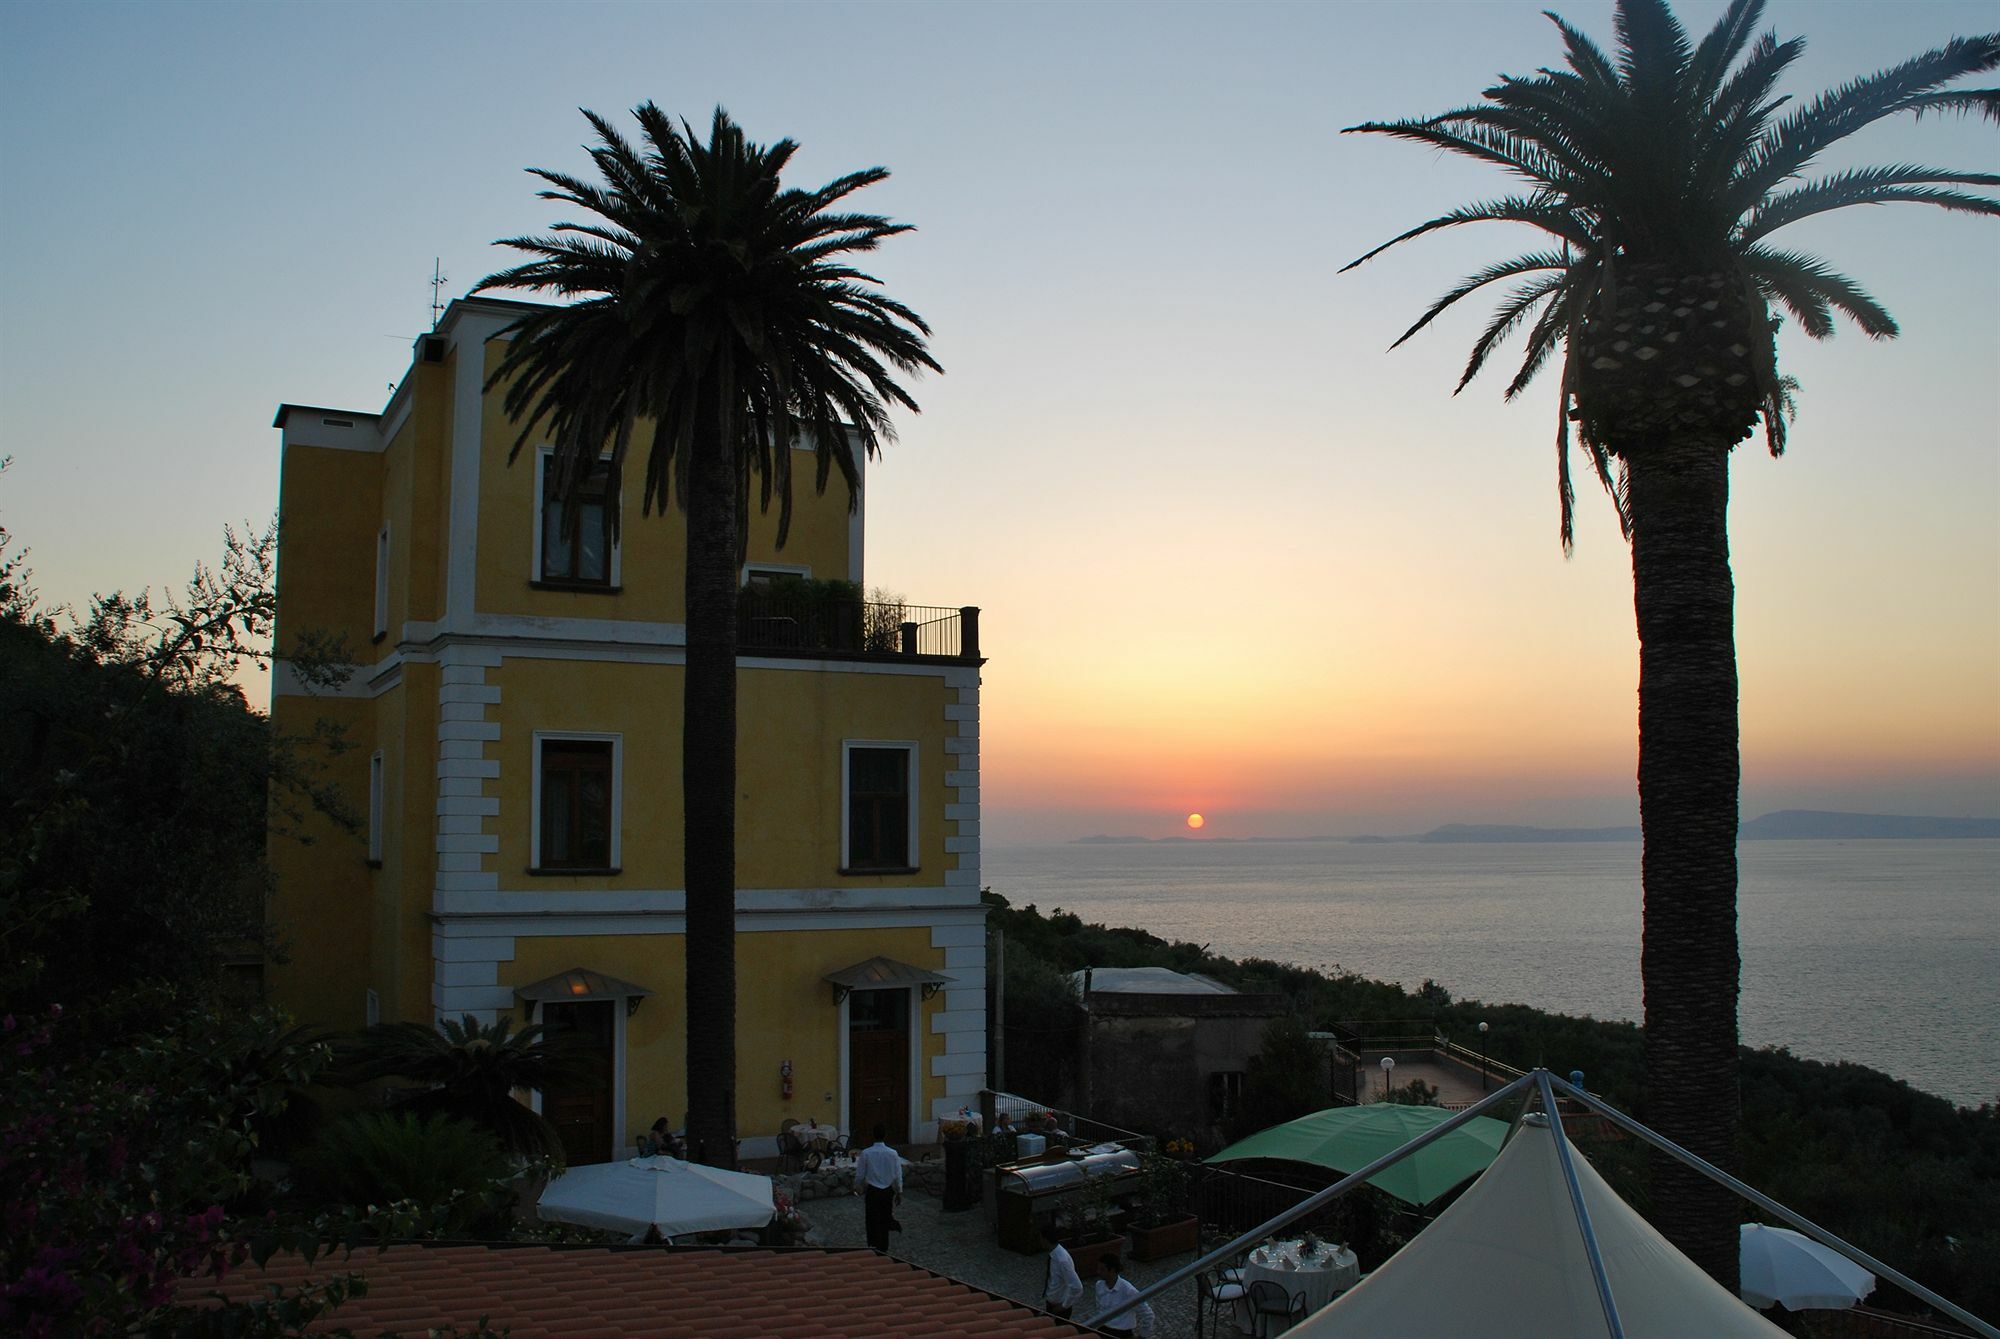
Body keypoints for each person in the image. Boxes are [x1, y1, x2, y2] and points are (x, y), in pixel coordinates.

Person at [853, 1123, 902, 1253]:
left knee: (872, 1220)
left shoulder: (866, 1153)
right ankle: (884, 1248)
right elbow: (897, 1175)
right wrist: (899, 1192)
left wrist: (857, 1187)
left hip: (873, 1191)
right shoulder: (893, 1154)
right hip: (887, 1191)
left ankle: (873, 1246)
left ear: (872, 1136)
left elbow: (860, 1175)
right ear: (885, 1135)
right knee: (885, 1220)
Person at [1092, 1254, 1154, 1338]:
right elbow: (1099, 1308)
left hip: (1121, 1333)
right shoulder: (1099, 1285)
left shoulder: (1128, 1290)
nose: (1098, 1272)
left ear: (1112, 1270)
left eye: (1102, 1269)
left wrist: (1143, 1336)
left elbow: (1148, 1314)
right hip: (1103, 1329)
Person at [1039, 1225, 1083, 1319]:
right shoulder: (1055, 1256)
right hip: (1052, 1305)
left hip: (1059, 1309)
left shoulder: (1061, 1260)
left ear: (1045, 1240)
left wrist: (1063, 1306)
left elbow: (1077, 1287)